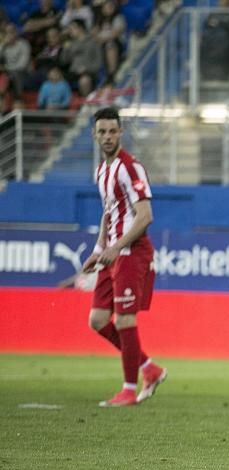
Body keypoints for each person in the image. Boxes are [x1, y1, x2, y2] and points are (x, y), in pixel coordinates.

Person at [80, 107, 167, 407]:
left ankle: (129, 390)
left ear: (121, 133)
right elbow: (109, 212)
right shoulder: (102, 171)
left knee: (126, 319)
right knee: (98, 319)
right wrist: (98, 249)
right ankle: (148, 368)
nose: (107, 137)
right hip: (112, 252)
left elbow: (145, 216)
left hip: (131, 251)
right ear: (94, 134)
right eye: (101, 131)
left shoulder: (131, 168)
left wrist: (116, 248)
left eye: (112, 131)